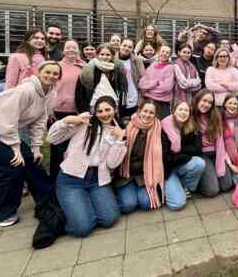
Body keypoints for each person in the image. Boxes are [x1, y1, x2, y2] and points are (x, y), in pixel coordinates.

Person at [0, 61, 59, 227]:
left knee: (31, 159)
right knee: (12, 165)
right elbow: (7, 119)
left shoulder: (50, 93)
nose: (51, 76)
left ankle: (48, 199)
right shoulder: (26, 90)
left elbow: (39, 121)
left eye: (55, 74)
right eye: (47, 72)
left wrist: (35, 148)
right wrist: (15, 148)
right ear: (39, 72)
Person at [47, 96, 126, 237]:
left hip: (97, 180)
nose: (104, 114)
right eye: (99, 111)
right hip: (71, 180)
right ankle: (66, 212)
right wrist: (67, 121)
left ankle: (83, 206)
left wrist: (120, 140)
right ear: (94, 112)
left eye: (107, 109)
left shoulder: (117, 131)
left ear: (115, 109)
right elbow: (52, 138)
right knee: (82, 229)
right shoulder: (84, 123)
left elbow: (112, 164)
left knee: (110, 219)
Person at [113, 102, 167, 214]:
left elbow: (164, 154)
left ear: (155, 115)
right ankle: (126, 192)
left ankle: (137, 192)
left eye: (151, 113)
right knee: (128, 205)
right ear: (139, 111)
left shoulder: (158, 130)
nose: (147, 115)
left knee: (147, 203)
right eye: (145, 111)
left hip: (144, 176)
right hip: (125, 174)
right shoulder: (126, 124)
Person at [50, 40, 86, 180]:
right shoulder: (57, 66)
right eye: (68, 47)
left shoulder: (83, 67)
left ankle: (70, 178)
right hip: (58, 112)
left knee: (73, 147)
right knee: (57, 147)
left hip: (77, 112)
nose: (71, 50)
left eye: (74, 47)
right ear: (63, 51)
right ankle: (55, 178)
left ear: (78, 51)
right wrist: (49, 109)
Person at [161, 102, 206, 209]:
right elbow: (165, 158)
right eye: (180, 109)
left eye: (186, 110)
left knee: (199, 163)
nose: (183, 112)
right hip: (167, 170)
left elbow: (198, 149)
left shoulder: (192, 125)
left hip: (179, 164)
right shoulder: (164, 127)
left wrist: (179, 154)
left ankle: (183, 186)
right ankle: (168, 188)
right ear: (174, 112)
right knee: (178, 204)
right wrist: (185, 154)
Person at [191, 90, 234, 196]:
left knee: (226, 185)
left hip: (216, 152)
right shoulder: (190, 115)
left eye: (210, 102)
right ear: (197, 100)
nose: (207, 104)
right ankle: (200, 182)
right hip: (201, 154)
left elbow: (219, 142)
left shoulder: (215, 116)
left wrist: (220, 163)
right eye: (204, 101)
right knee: (212, 190)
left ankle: (212, 175)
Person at [75, 44, 119, 113]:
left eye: (108, 55)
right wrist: (83, 111)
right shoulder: (88, 68)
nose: (104, 57)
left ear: (112, 56)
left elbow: (121, 90)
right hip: (93, 107)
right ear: (97, 55)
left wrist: (122, 105)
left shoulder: (116, 69)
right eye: (102, 54)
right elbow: (80, 93)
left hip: (113, 107)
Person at [138, 45, 175, 119]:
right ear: (158, 52)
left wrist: (148, 89)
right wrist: (155, 83)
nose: (164, 54)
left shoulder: (170, 68)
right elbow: (141, 84)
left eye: (167, 52)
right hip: (147, 101)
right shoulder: (152, 66)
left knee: (162, 125)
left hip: (162, 104)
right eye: (163, 51)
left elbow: (166, 88)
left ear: (169, 55)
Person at [114, 39, 145, 120]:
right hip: (118, 96)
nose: (126, 48)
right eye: (124, 45)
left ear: (132, 49)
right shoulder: (113, 60)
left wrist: (141, 97)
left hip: (133, 95)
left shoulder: (137, 60)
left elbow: (143, 79)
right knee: (119, 120)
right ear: (120, 45)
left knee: (132, 121)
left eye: (129, 47)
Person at [173, 42, 202, 108]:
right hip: (179, 95)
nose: (186, 54)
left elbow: (199, 82)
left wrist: (190, 83)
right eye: (184, 52)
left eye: (188, 53)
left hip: (191, 96)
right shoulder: (176, 65)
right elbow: (183, 84)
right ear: (179, 52)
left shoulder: (192, 66)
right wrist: (194, 83)